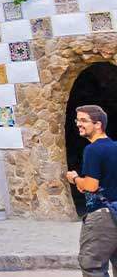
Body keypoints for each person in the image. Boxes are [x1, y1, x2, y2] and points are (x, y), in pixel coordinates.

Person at [66, 105, 117, 277]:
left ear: (98, 124)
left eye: (83, 120)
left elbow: (91, 185)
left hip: (103, 216)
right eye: (77, 120)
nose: (78, 124)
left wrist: (74, 178)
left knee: (92, 266)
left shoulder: (93, 149)